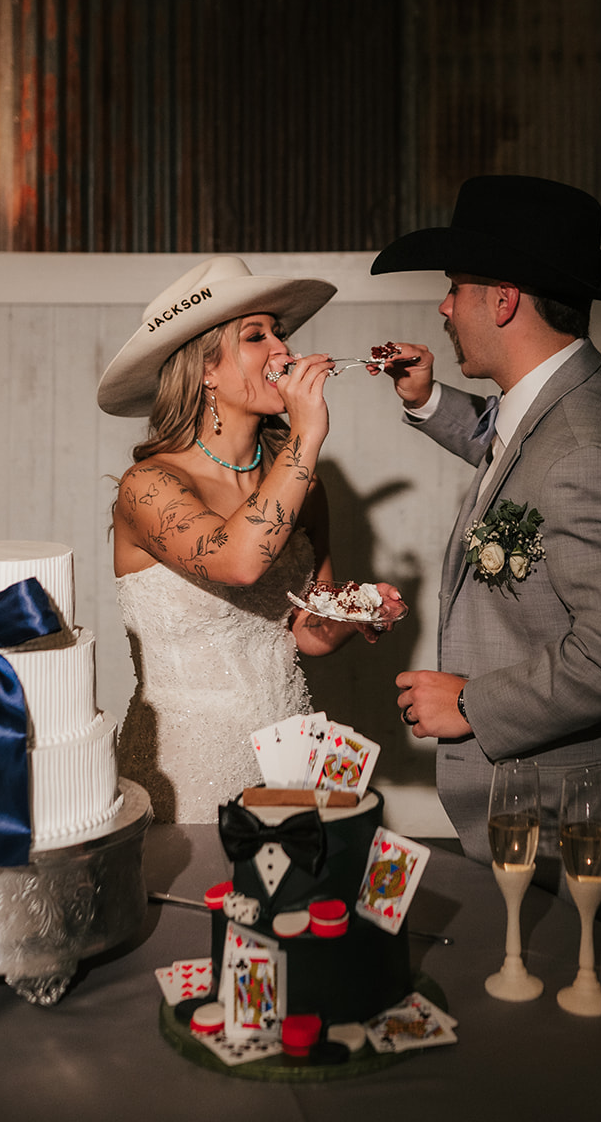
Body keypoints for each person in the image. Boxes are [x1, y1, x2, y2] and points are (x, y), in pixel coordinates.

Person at [370, 176, 601, 925]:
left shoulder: (586, 447)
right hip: (555, 803)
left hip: (574, 819)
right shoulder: (573, 397)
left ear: (504, 300)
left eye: (456, 289)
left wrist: (471, 705)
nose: (444, 308)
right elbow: (512, 455)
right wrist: (425, 400)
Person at [97, 254, 406, 822]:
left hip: (291, 754)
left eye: (280, 334)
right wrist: (308, 434)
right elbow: (240, 562)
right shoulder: (150, 486)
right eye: (255, 336)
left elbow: (308, 631)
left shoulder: (299, 485)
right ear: (205, 369)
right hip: (184, 767)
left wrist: (358, 612)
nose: (283, 351)